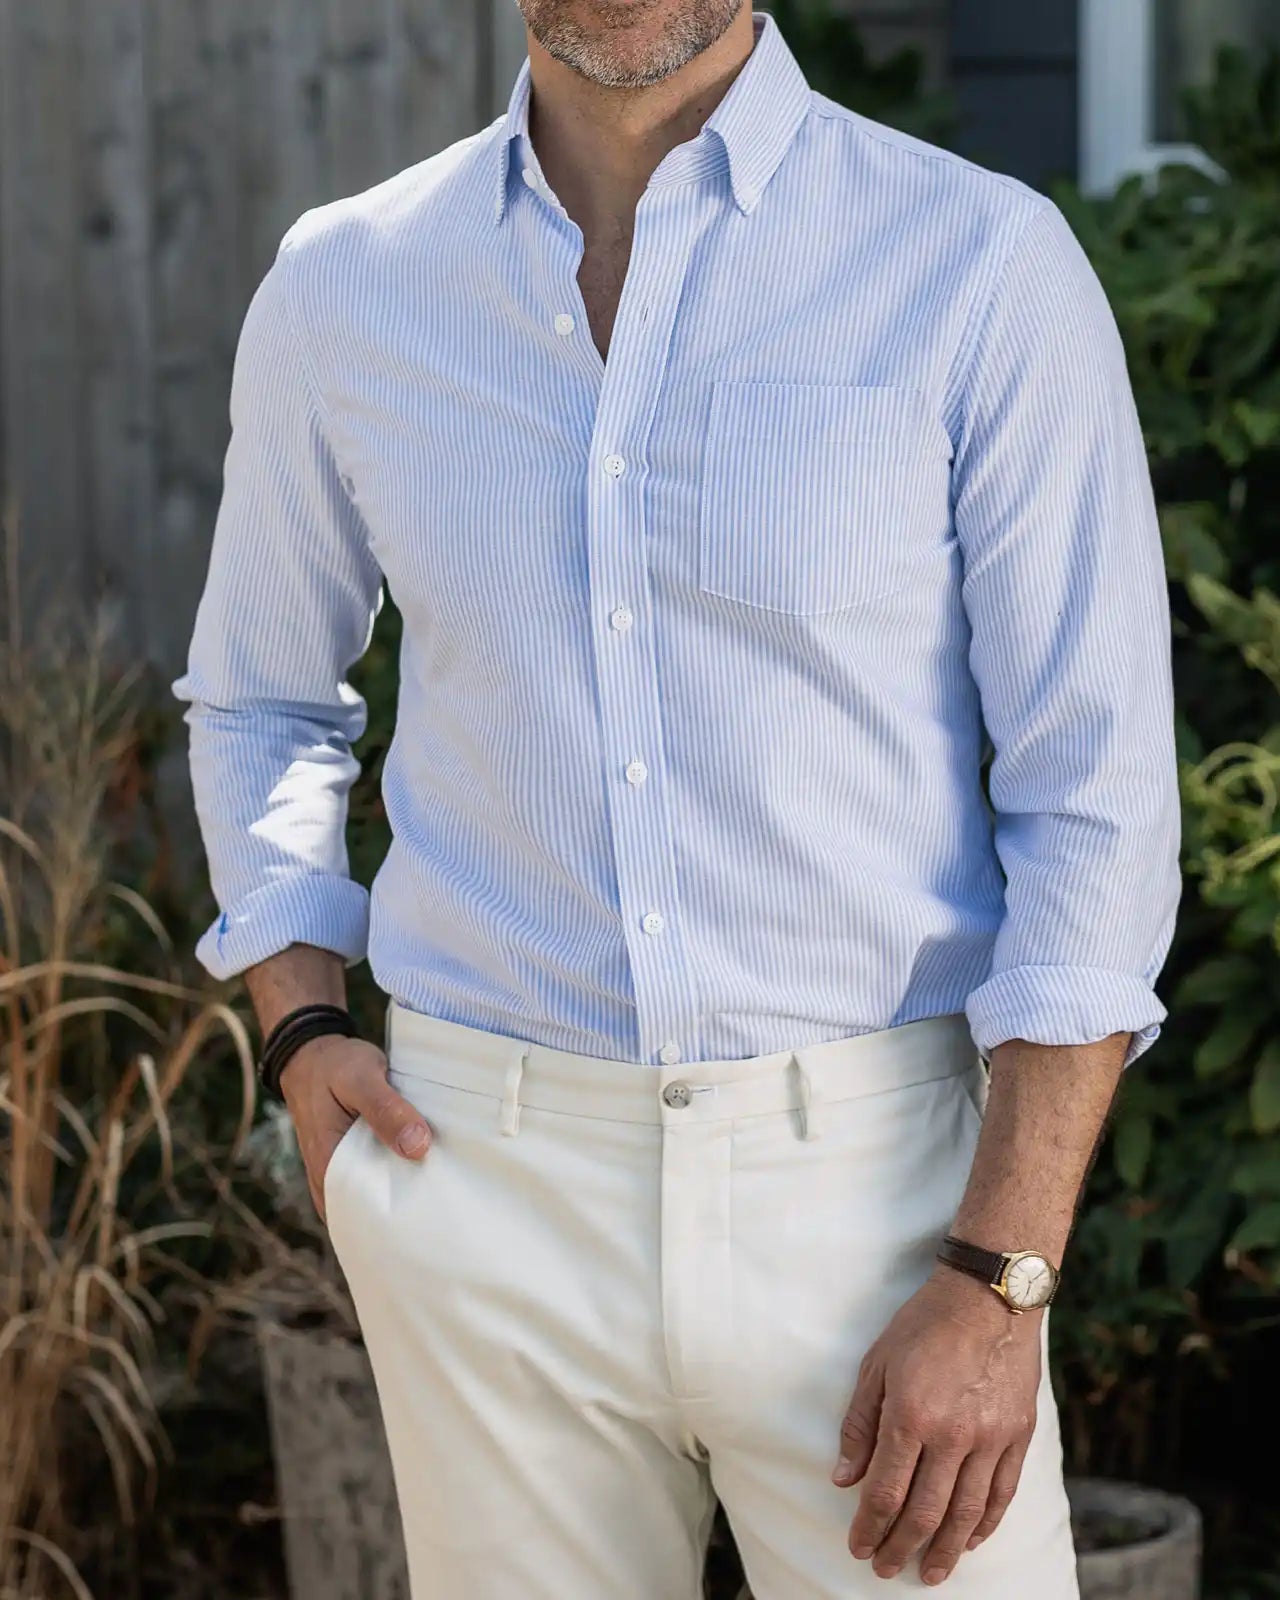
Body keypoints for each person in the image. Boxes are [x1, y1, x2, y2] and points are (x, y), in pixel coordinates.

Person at [172, 4, 1181, 1595]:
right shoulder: (347, 282)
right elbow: (261, 695)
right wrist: (299, 1025)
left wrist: (1002, 1272)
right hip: (481, 1190)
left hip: (883, 1210)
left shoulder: (979, 262)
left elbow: (1096, 789)